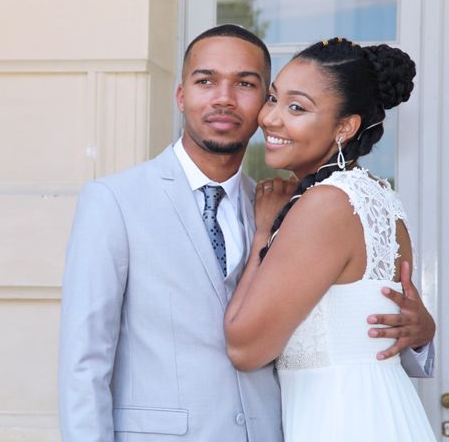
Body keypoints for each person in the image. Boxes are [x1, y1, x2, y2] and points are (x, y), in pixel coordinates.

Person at [59, 25, 435, 441]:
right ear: (181, 96)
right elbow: (84, 363)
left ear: (259, 100)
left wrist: (420, 336)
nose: (223, 97)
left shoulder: (286, 205)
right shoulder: (114, 201)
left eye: (246, 84)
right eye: (205, 81)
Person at [224, 37, 436, 441]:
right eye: (273, 98)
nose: (270, 118)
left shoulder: (326, 205)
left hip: (342, 421)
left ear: (345, 127)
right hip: (382, 413)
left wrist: (264, 237)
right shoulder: (377, 195)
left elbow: (245, 349)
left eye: (297, 107)